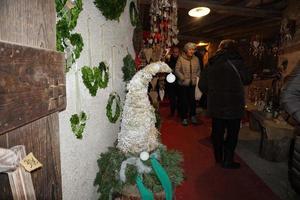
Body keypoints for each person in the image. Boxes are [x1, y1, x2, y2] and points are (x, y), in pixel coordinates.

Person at [199, 39, 253, 169]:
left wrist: (213, 93)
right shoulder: (239, 62)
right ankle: (228, 160)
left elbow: (202, 85)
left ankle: (218, 158)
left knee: (217, 132)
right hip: (234, 106)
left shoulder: (211, 63)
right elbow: (248, 79)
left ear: (220, 48)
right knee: (232, 134)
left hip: (217, 105)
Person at [175, 42, 200, 126]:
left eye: (193, 49)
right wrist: (182, 78)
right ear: (186, 50)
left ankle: (193, 116)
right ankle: (184, 117)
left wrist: (197, 77)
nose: (192, 51)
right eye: (190, 49)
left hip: (192, 83)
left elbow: (199, 70)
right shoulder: (181, 58)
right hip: (183, 84)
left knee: (192, 101)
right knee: (184, 101)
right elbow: (177, 70)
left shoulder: (196, 59)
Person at [166, 46, 180, 117]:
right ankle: (172, 112)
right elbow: (166, 70)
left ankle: (179, 112)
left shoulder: (180, 60)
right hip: (171, 83)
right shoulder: (168, 60)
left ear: (178, 53)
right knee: (172, 98)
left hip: (179, 82)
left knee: (179, 98)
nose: (175, 53)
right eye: (174, 52)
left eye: (176, 52)